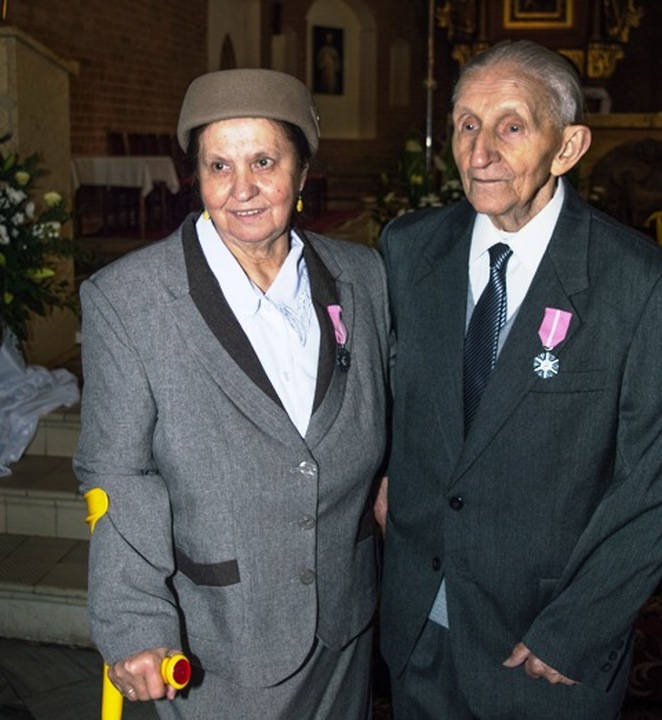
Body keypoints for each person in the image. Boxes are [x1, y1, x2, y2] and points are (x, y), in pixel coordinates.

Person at [74, 68, 391, 719]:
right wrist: (135, 621)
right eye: (219, 165)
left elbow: (385, 408)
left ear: (303, 171)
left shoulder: (362, 276)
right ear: (196, 176)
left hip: (345, 624)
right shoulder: (129, 300)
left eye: (264, 162)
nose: (241, 188)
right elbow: (118, 472)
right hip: (220, 640)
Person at [377, 39, 662, 720]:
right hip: (418, 624)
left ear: (567, 147)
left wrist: (578, 628)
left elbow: (651, 479)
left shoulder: (635, 280)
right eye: (466, 125)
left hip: (544, 642)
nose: (479, 153)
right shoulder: (408, 249)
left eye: (511, 127)